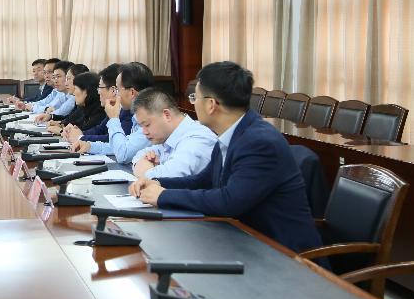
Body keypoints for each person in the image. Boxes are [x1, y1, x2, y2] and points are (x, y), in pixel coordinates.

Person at [129, 61, 323, 253]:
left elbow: (229, 201)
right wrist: (156, 182)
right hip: (247, 240)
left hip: (283, 253)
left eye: (194, 97)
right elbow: (203, 180)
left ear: (211, 104)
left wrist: (163, 196)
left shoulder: (259, 141)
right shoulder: (231, 134)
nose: (192, 103)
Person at [70, 62, 154, 163]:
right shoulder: (136, 116)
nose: (116, 94)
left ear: (132, 92)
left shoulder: (150, 119)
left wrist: (114, 118)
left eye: (117, 89)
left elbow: (123, 154)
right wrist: (90, 146)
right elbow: (122, 145)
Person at [128, 88, 216, 179]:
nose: (144, 132)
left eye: (147, 125)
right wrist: (140, 164)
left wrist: (145, 172)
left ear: (167, 115)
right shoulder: (167, 137)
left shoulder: (196, 138)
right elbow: (140, 154)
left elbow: (171, 176)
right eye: (141, 126)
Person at [63, 63, 132, 144]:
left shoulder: (128, 112)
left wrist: (80, 137)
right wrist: (76, 134)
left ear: (113, 90)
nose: (98, 92)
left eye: (100, 87)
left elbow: (112, 140)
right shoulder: (114, 108)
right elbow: (99, 129)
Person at [45, 64, 91, 131]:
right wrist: (60, 123)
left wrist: (62, 130)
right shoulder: (79, 101)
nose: (66, 83)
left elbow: (85, 129)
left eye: (68, 79)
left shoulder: (93, 106)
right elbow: (72, 118)